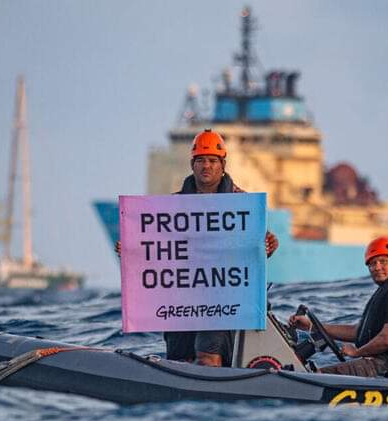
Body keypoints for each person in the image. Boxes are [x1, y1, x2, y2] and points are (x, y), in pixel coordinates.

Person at [117, 128, 278, 366]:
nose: (206, 166)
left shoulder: (242, 204)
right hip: (182, 297)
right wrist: (131, 249)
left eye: (212, 160)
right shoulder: (172, 206)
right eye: (201, 160)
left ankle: (216, 386)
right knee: (179, 358)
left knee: (208, 356)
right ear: (192, 164)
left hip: (222, 296)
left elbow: (254, 248)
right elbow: (157, 248)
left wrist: (268, 246)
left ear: (222, 165)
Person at [289, 237, 388, 377]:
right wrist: (311, 326)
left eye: (383, 261)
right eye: (372, 263)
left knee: (317, 376)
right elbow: (357, 332)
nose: (377, 267)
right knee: (315, 373)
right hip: (384, 362)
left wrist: (357, 352)